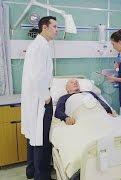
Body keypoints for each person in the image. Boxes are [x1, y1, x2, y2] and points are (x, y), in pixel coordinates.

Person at [21, 16, 57, 180]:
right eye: (54, 26)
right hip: (40, 100)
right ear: (45, 27)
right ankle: (41, 175)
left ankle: (31, 171)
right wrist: (47, 97)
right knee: (41, 139)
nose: (57, 30)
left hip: (34, 99)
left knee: (33, 136)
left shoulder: (37, 45)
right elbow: (38, 76)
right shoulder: (41, 47)